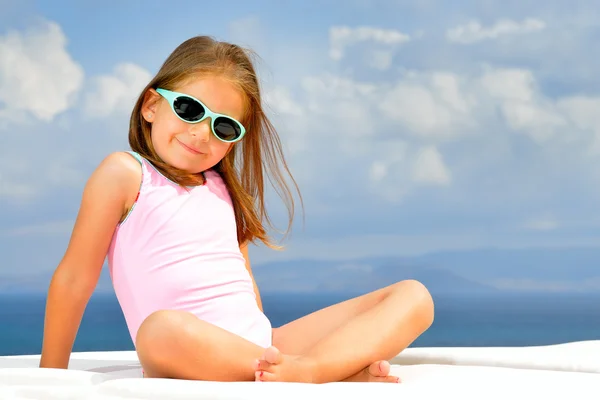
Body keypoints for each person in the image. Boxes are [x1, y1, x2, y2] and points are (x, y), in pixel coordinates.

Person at [39, 35, 434, 384]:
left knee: (414, 296)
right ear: (151, 106)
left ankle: (310, 370)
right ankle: (324, 370)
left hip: (260, 346)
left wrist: (268, 348)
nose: (201, 133)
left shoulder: (224, 189)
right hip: (185, 347)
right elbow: (75, 279)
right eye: (190, 110)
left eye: (224, 127)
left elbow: (246, 291)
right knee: (159, 329)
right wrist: (51, 377)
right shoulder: (125, 174)